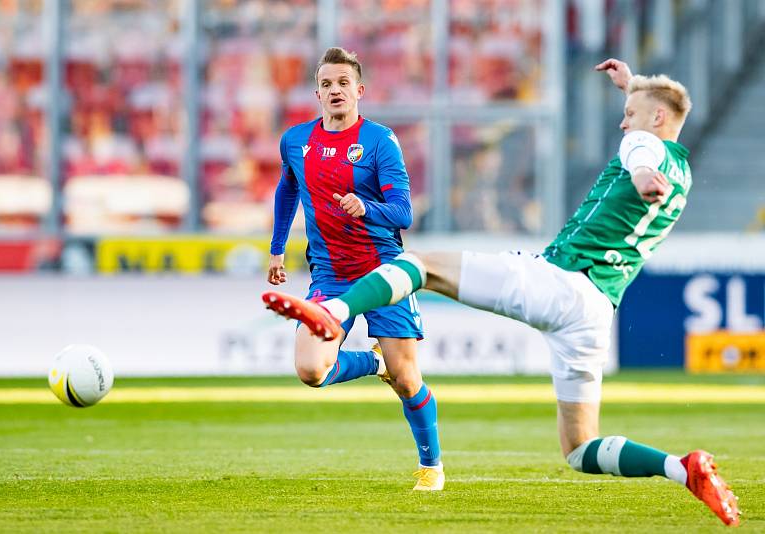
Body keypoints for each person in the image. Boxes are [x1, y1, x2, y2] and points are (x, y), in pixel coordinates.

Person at [263, 58, 741, 525]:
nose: (622, 123)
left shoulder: (643, 146)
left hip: (561, 281)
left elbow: (641, 147)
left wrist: (637, 172)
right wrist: (633, 84)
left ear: (655, 119)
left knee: (420, 265)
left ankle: (338, 311)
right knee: (579, 449)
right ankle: (682, 468)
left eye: (630, 115)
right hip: (596, 313)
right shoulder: (684, 172)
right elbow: (658, 116)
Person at [266, 47, 443, 491]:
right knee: (311, 371)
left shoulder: (381, 141)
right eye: (326, 84)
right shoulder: (295, 141)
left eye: (343, 83)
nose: (335, 90)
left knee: (407, 380)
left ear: (359, 90)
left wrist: (367, 207)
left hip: (385, 272)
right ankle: (372, 362)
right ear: (317, 93)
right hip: (329, 275)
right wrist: (275, 249)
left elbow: (403, 213)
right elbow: (288, 191)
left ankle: (431, 466)